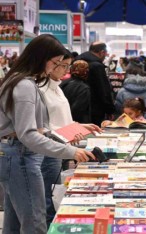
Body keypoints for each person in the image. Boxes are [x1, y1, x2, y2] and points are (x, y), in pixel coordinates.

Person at [0, 34, 95, 233]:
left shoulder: (19, 81)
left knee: (15, 220)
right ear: (41, 58)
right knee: (35, 219)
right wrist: (69, 151)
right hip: (21, 156)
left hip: (13, 154)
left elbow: (36, 129)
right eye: (55, 63)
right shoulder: (24, 85)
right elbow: (28, 134)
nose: (55, 68)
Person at [38, 52, 101, 227]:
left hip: (61, 147)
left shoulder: (57, 87)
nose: (67, 70)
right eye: (64, 65)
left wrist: (80, 126)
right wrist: (68, 132)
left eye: (68, 66)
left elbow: (63, 119)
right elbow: (44, 127)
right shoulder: (39, 89)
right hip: (49, 149)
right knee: (48, 198)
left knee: (54, 192)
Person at [76, 42, 115, 126]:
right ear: (102, 52)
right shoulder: (97, 66)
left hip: (79, 107)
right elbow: (103, 90)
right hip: (95, 109)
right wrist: (110, 110)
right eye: (105, 54)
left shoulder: (77, 62)